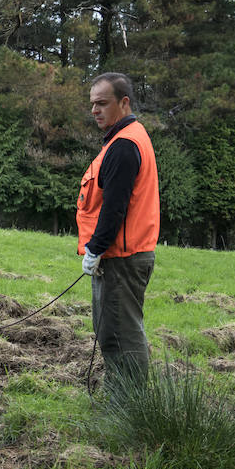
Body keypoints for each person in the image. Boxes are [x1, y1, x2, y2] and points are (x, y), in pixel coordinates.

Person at [76, 72, 159, 393]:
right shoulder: (126, 138)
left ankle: (129, 405)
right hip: (122, 254)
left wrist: (95, 249)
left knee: (121, 333)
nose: (95, 111)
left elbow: (115, 207)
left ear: (124, 103)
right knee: (111, 330)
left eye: (102, 104)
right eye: (92, 105)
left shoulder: (124, 145)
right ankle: (120, 396)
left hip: (122, 258)